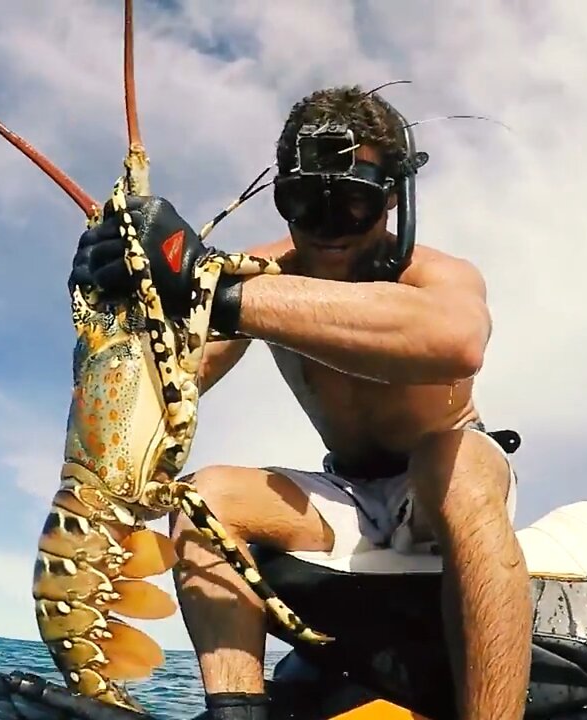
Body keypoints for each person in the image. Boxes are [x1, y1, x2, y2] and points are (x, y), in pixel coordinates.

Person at [69, 85, 531, 720]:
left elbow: (456, 341)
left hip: (443, 485)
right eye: (307, 203)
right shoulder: (260, 266)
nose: (329, 228)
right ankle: (237, 710)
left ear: (393, 197)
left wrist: (221, 300)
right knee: (205, 496)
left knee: (456, 473)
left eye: (353, 203)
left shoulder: (435, 273)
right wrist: (118, 306)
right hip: (346, 492)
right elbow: (172, 374)